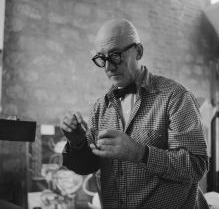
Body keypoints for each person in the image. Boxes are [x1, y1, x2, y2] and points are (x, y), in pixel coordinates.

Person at [60, 19, 209, 209]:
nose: (108, 67)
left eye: (115, 55)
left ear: (139, 51)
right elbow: (87, 166)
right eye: (102, 58)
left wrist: (141, 153)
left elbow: (196, 166)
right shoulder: (100, 107)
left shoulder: (175, 97)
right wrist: (77, 142)